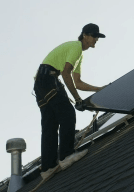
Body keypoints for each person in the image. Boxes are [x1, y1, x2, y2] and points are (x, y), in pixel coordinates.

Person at [33, 23, 106, 182]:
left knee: (50, 124)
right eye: (94, 36)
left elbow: (77, 82)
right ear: (85, 35)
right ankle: (66, 155)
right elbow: (66, 74)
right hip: (49, 79)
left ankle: (48, 167)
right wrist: (78, 99)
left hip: (41, 83)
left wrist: (98, 89)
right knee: (67, 114)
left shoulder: (78, 55)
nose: (96, 40)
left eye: (97, 37)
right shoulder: (76, 48)